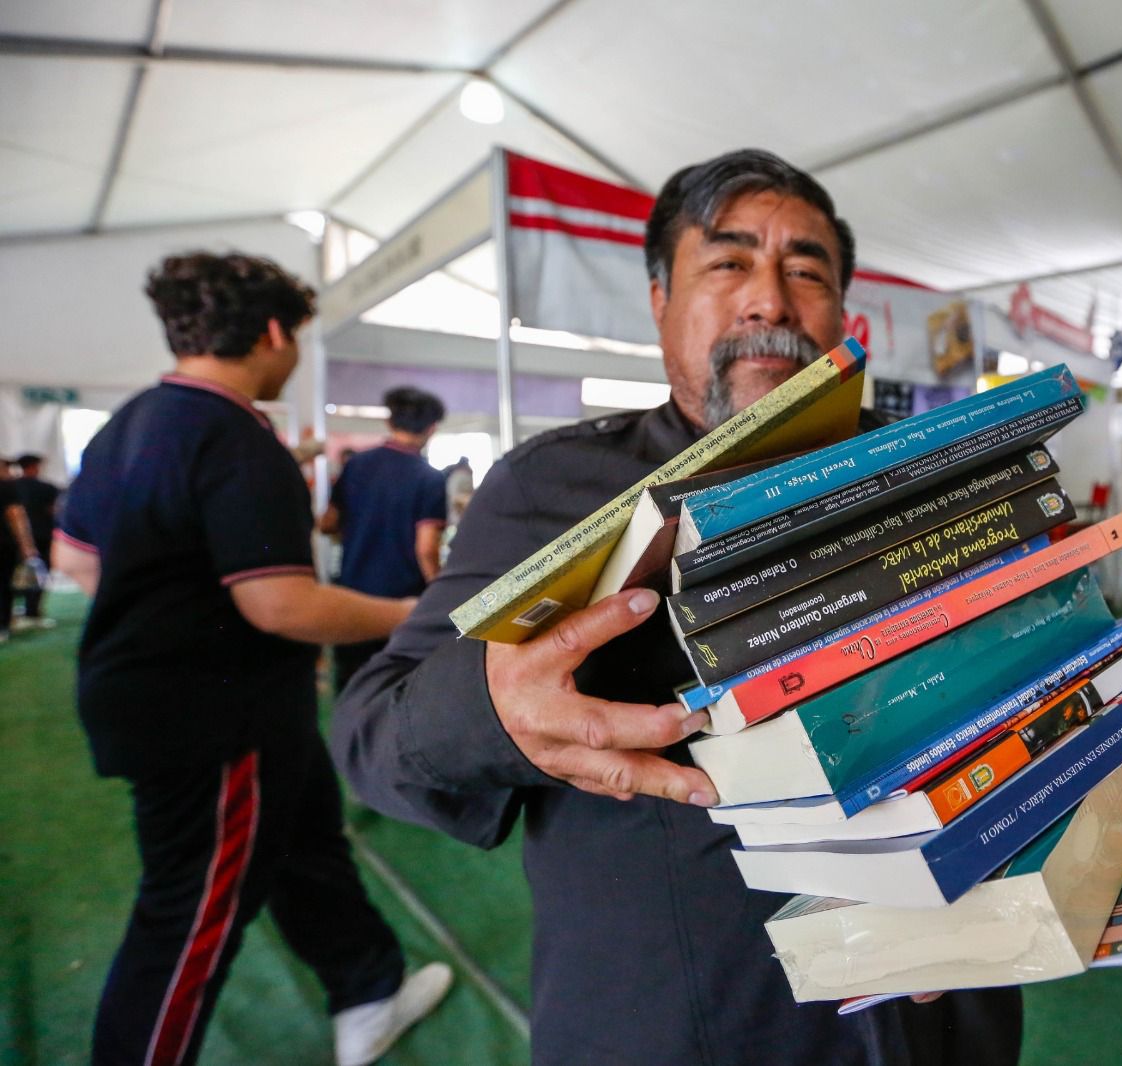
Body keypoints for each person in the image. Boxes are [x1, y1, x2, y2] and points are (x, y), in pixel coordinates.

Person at [333, 149, 1023, 1066]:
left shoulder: (940, 470)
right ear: (659, 299)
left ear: (841, 312)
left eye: (807, 271)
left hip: (938, 1012)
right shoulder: (550, 488)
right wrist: (490, 709)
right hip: (686, 1024)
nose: (770, 301)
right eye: (729, 262)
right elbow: (369, 735)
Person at [50, 252, 451, 1066]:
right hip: (215, 718)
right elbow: (281, 604)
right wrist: (416, 615)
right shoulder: (236, 435)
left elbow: (73, 558)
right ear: (273, 332)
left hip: (208, 703)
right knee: (189, 913)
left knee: (307, 840)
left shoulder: (129, 423)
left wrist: (163, 609)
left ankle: (368, 989)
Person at [318, 386, 448, 691]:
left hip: (353, 597)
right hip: (404, 604)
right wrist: (440, 593)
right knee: (399, 690)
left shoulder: (355, 465)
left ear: (389, 422)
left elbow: (327, 523)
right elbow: (426, 549)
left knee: (352, 687)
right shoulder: (429, 478)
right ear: (432, 428)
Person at [1, 457, 48, 646]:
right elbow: (17, 516)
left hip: (5, 543)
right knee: (4, 584)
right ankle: (4, 624)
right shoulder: (7, 487)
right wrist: (27, 545)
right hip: (5, 543)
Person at [11, 453, 61, 628]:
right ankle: (32, 611)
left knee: (13, 575)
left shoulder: (11, 486)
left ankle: (12, 613)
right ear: (34, 466)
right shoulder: (47, 488)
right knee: (39, 573)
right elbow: (54, 511)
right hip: (42, 535)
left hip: (15, 538)